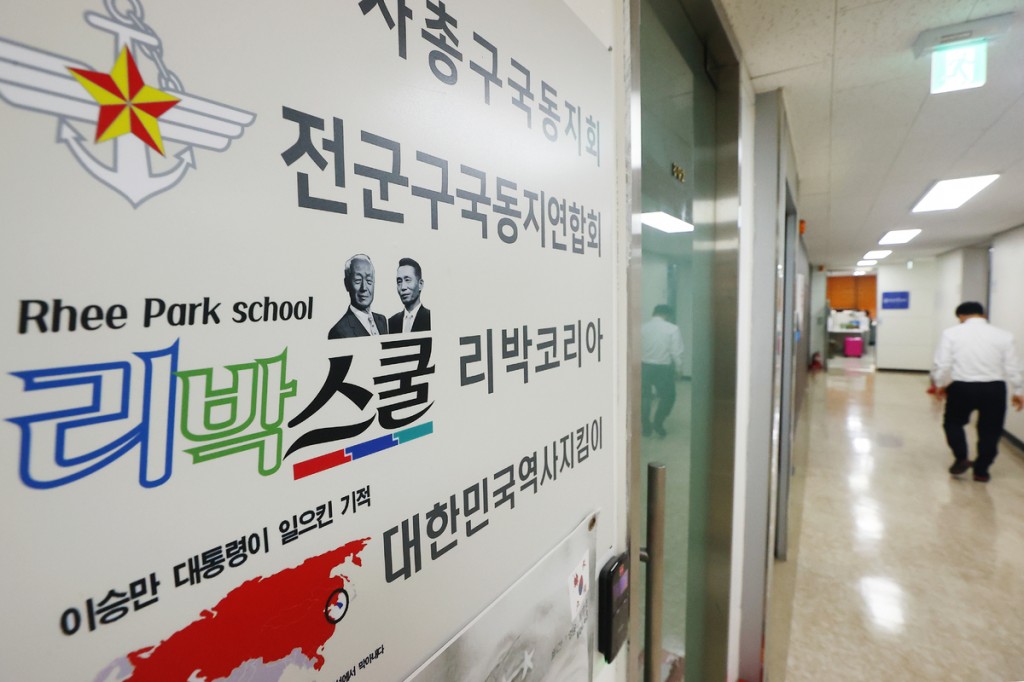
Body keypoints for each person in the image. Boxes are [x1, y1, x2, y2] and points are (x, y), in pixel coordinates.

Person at [932, 301, 1023, 482]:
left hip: (963, 387)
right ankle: (981, 470)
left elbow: (942, 363)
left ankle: (961, 457)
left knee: (953, 423)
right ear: (983, 315)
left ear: (961, 316)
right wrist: (1019, 390)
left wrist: (939, 384)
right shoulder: (1004, 335)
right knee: (991, 430)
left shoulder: (951, 333)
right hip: (994, 388)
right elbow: (1013, 366)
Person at [641, 304, 684, 438]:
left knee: (644, 397)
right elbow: (676, 352)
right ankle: (658, 422)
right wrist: (679, 368)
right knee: (668, 397)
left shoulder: (642, 328)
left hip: (644, 366)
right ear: (667, 315)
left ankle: (646, 426)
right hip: (663, 368)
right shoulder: (672, 329)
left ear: (654, 313)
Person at [328, 254, 389, 339]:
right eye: (358, 280)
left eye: (369, 280)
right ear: (347, 284)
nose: (364, 287)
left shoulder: (382, 321)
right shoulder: (339, 332)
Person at [388, 257, 431, 333]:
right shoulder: (391, 323)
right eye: (399, 281)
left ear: (420, 284)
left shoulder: (431, 318)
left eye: (407, 280)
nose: (403, 287)